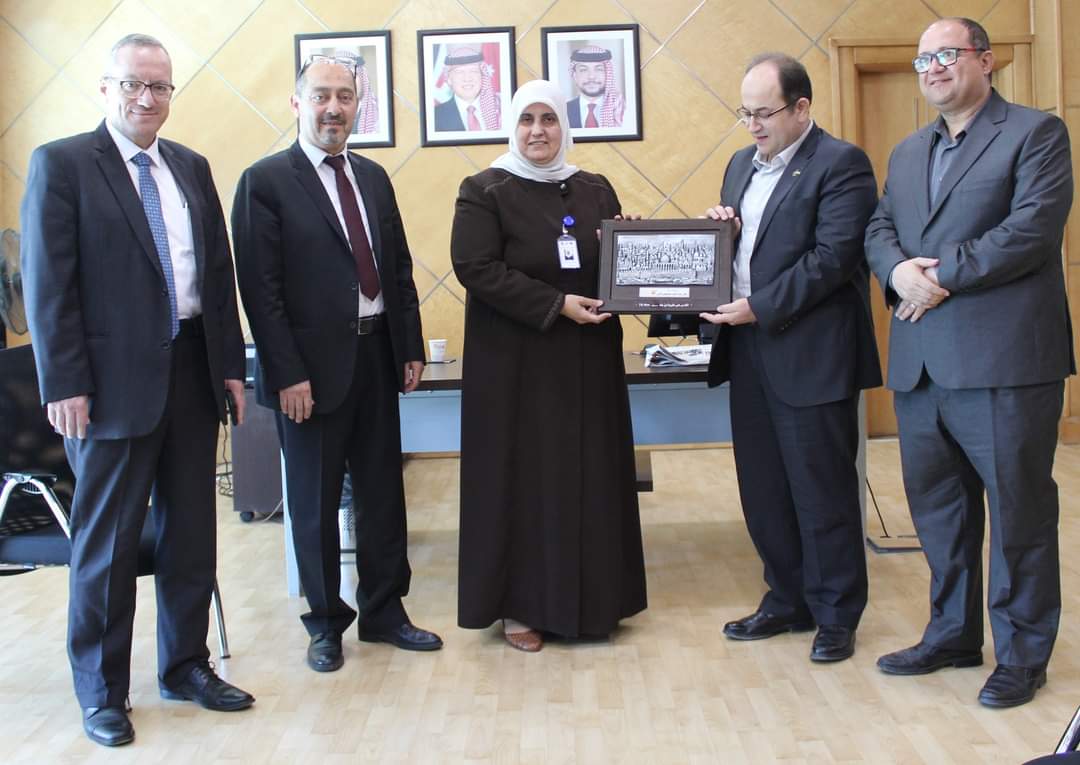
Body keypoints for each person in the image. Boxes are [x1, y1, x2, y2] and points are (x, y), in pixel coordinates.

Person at [19, 33, 254, 747]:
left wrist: (232, 366)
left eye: (159, 86)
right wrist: (64, 382)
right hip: (107, 388)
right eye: (132, 84)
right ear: (105, 88)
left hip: (192, 372)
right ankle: (101, 691)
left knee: (191, 535)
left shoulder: (191, 166)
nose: (146, 98)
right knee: (109, 547)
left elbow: (217, 276)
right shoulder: (63, 164)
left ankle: (186, 665)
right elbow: (48, 284)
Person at [866, 17, 1074, 708]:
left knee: (1019, 514)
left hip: (1004, 361)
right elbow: (879, 227)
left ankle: (1021, 654)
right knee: (940, 513)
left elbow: (1031, 229)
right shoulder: (906, 151)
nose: (933, 67)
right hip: (921, 364)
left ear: (985, 60)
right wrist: (897, 272)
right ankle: (952, 634)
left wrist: (938, 275)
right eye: (923, 58)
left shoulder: (1036, 133)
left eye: (947, 54)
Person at [232, 54, 441, 674]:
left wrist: (409, 345)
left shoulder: (373, 177)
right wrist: (286, 373)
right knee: (316, 503)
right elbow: (260, 291)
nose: (333, 108)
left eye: (344, 97)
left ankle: (384, 611)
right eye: (321, 96)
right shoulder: (265, 181)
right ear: (297, 104)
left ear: (357, 106)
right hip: (309, 374)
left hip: (376, 354)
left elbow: (397, 268)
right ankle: (325, 623)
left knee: (383, 495)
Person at [451, 79, 647, 652]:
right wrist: (556, 304)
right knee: (525, 481)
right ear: (512, 126)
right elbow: (475, 267)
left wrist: (629, 248)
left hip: (587, 362)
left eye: (549, 119)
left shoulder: (595, 188)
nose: (538, 130)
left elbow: (607, 266)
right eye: (527, 119)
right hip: (517, 367)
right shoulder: (483, 189)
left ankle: (595, 604)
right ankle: (520, 607)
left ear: (565, 125)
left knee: (591, 474)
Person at [699, 53, 881, 663]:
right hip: (749, 350)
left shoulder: (841, 164)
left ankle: (836, 615)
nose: (752, 124)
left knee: (822, 491)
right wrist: (719, 232)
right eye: (745, 113)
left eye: (764, 112)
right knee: (764, 488)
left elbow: (832, 259)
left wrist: (758, 306)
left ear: (801, 108)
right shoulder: (738, 166)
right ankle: (786, 599)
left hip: (812, 354)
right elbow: (744, 248)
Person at [433, 46, 501, 131]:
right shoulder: (435, 117)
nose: (467, 78)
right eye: (459, 72)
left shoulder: (500, 111)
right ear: (449, 79)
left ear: (482, 75)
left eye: (473, 71)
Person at [565, 45, 625, 129]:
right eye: (583, 70)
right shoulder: (563, 110)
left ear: (608, 74)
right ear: (575, 76)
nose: (591, 76)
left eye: (598, 69)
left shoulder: (621, 109)